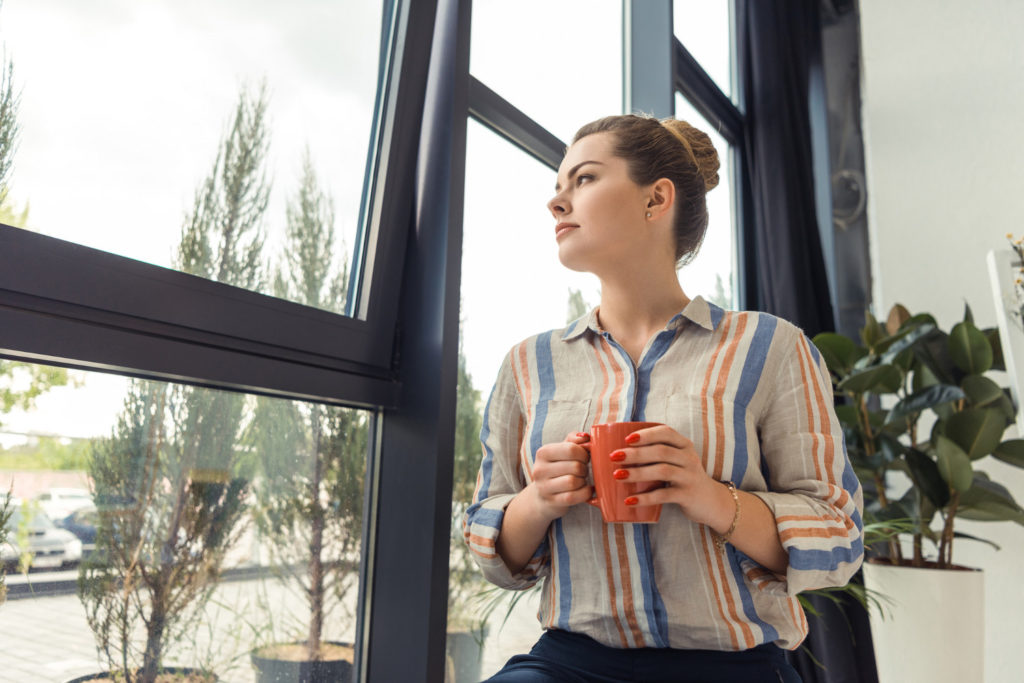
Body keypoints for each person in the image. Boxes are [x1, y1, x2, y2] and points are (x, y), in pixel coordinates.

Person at [462, 114, 864, 683]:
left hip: (735, 668)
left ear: (657, 199)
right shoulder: (529, 365)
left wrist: (708, 496)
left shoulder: (770, 347)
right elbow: (491, 543)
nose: (557, 203)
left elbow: (839, 537)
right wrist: (537, 500)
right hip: (571, 664)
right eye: (557, 187)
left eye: (584, 179)